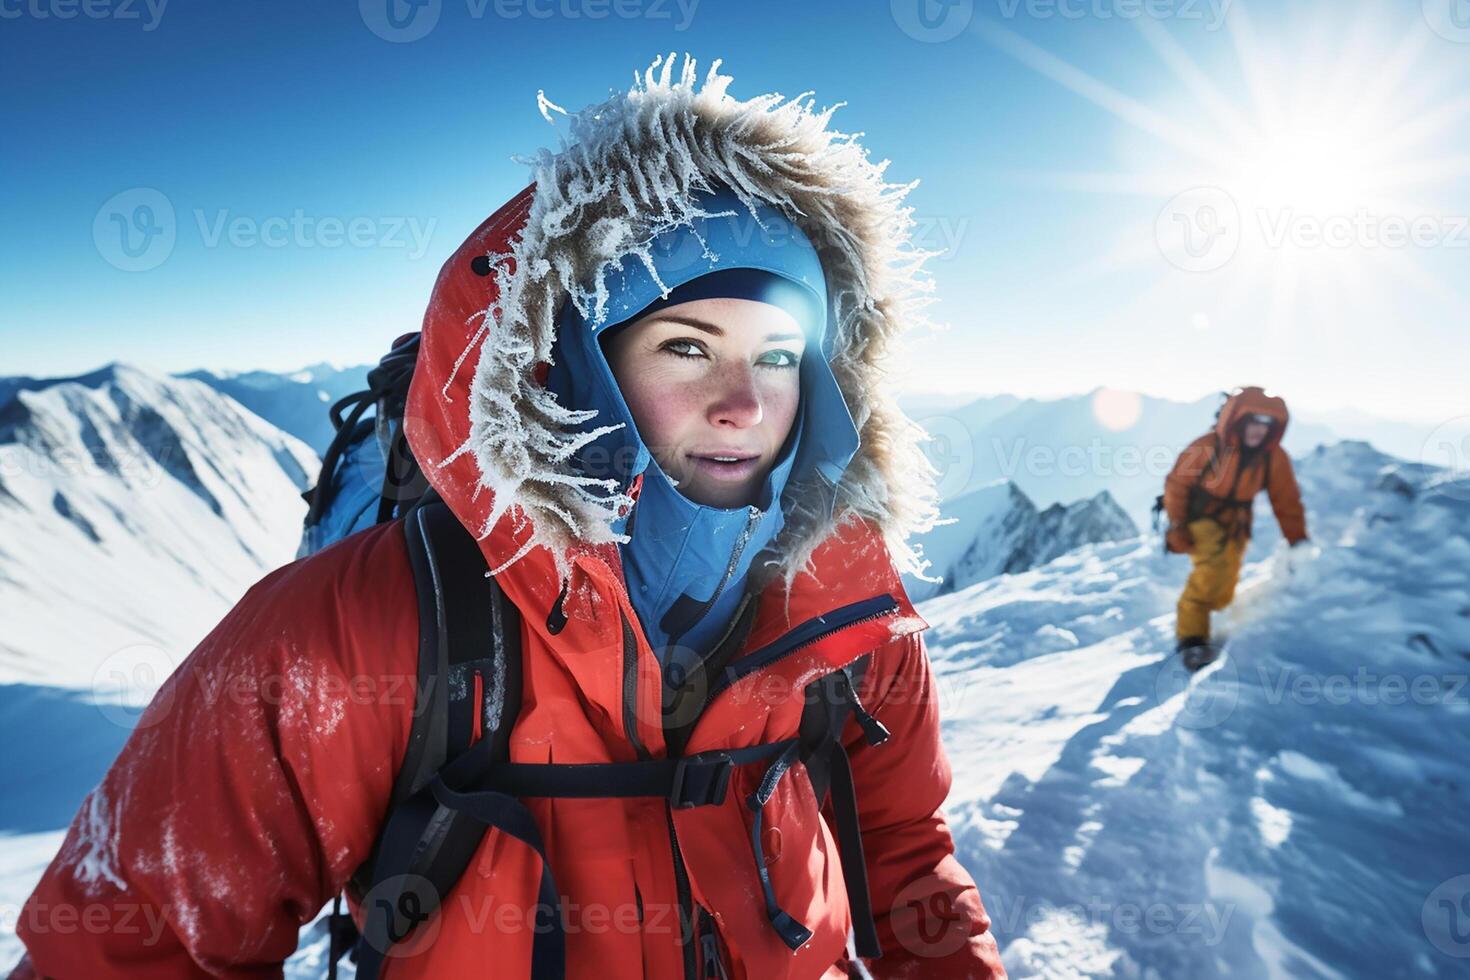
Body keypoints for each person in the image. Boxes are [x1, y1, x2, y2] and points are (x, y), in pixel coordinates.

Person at [10, 58, 1006, 978]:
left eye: (780, 354)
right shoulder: (358, 629)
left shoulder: (842, 610)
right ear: (580, 364)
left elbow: (908, 862)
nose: (745, 401)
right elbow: (132, 940)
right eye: (688, 347)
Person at [1162, 386, 1309, 667]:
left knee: (1227, 577)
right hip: (1200, 517)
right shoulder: (1207, 447)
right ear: (1238, 422)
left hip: (1238, 523)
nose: (1258, 432)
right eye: (1252, 424)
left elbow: (1286, 500)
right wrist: (1177, 525)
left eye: (1265, 427)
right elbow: (1177, 485)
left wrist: (1297, 539)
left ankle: (1215, 623)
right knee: (1210, 569)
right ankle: (1191, 640)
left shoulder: (1273, 457)